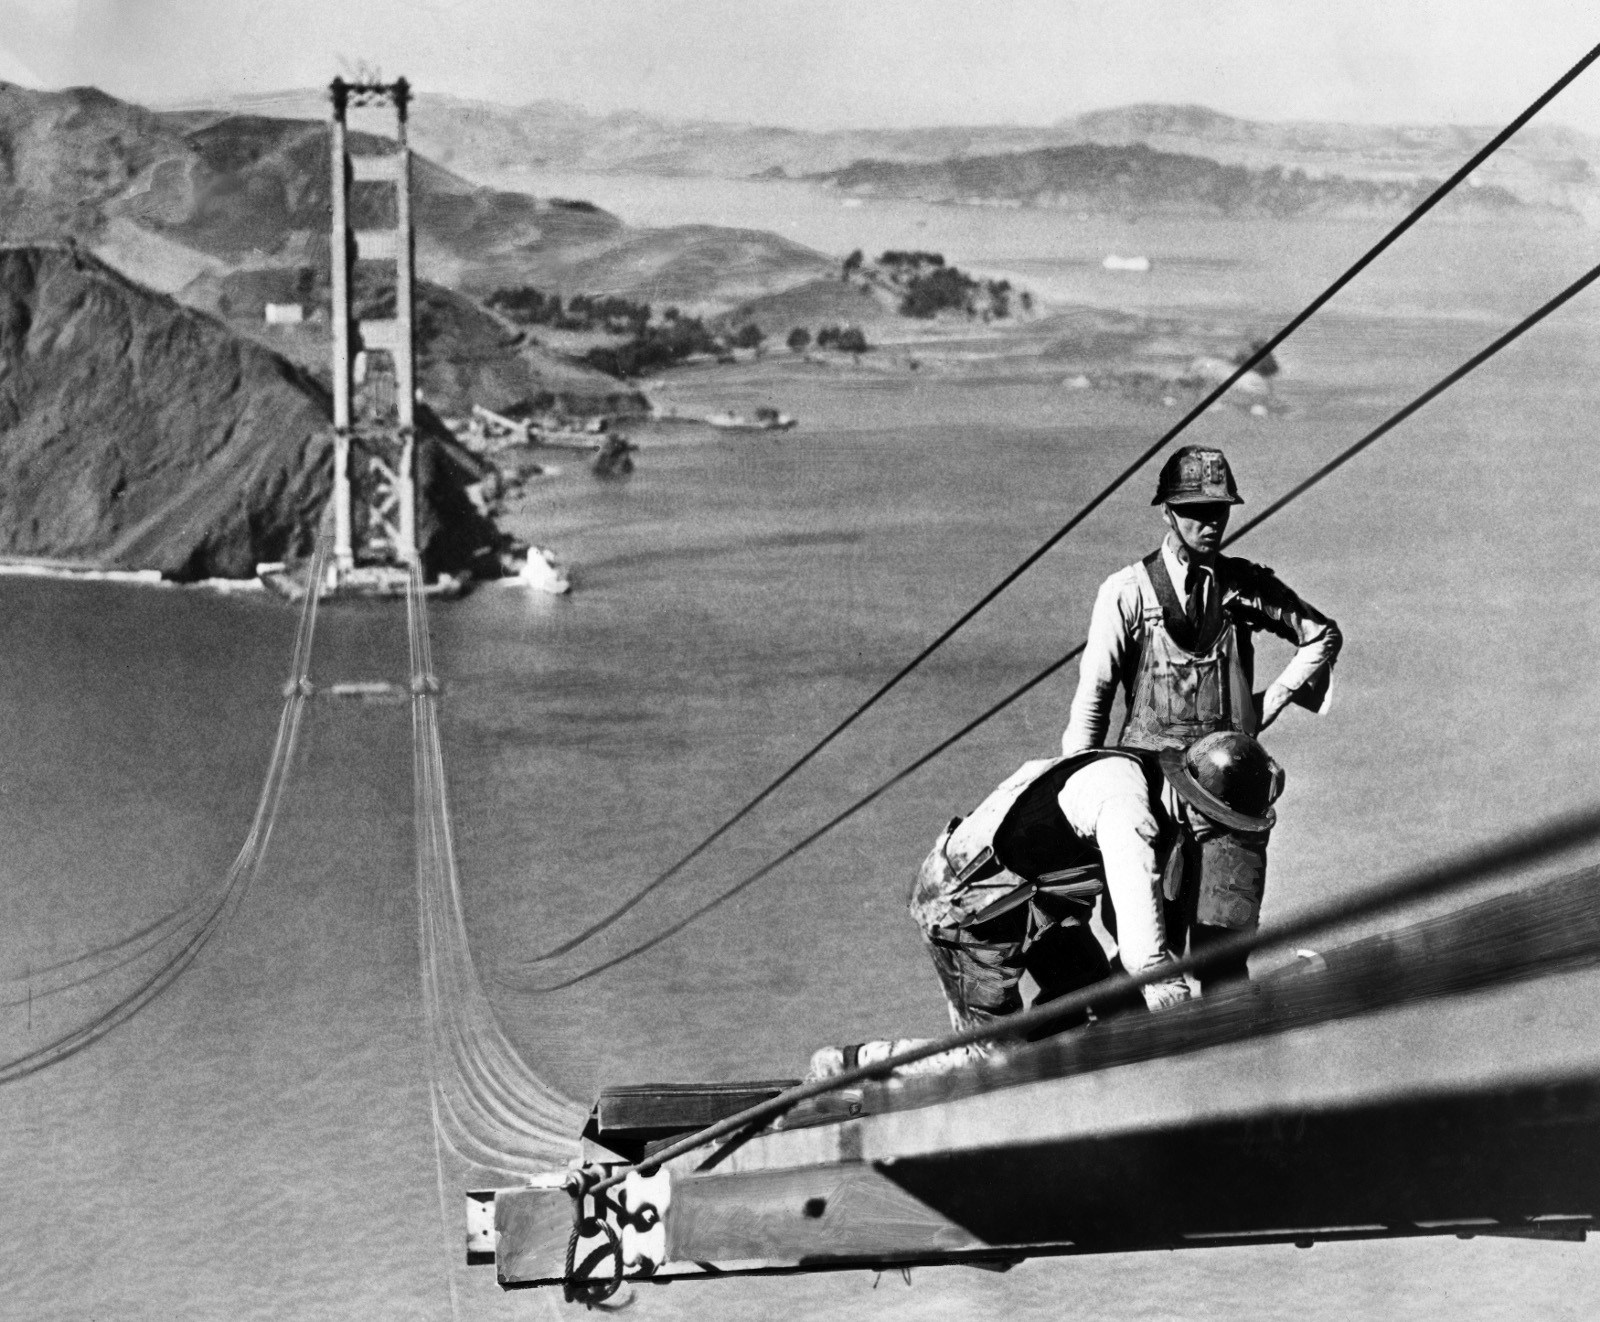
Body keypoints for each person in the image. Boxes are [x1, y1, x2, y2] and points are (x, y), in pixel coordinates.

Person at [1062, 444, 1340, 980]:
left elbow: (1321, 634)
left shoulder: (1244, 589)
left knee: (1225, 951)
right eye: (1195, 511)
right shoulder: (1125, 594)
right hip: (1147, 793)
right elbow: (1091, 706)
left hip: (1228, 795)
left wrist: (1270, 704)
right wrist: (1083, 805)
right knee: (1145, 954)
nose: (1210, 523)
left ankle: (1228, 1042)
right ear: (1168, 513)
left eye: (1219, 511)